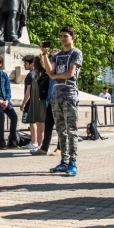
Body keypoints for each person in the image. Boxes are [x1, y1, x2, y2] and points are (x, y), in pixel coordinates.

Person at [41, 25, 83, 176]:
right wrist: (44, 54)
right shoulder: (57, 56)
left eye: (65, 36)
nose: (62, 39)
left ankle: (73, 162)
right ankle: (64, 161)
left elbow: (70, 74)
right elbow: (49, 70)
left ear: (73, 37)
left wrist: (54, 76)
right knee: (61, 130)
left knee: (71, 130)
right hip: (55, 97)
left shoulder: (76, 53)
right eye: (61, 36)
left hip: (69, 96)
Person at [21, 55, 46, 152]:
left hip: (32, 102)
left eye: (26, 63)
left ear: (32, 64)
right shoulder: (38, 73)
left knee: (33, 122)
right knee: (39, 124)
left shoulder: (30, 75)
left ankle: (34, 142)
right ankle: (38, 143)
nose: (24, 65)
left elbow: (28, 91)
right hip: (38, 101)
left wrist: (23, 103)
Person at [31, 58, 56, 156]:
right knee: (48, 125)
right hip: (47, 100)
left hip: (53, 100)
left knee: (58, 126)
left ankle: (59, 148)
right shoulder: (44, 74)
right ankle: (44, 147)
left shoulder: (48, 75)